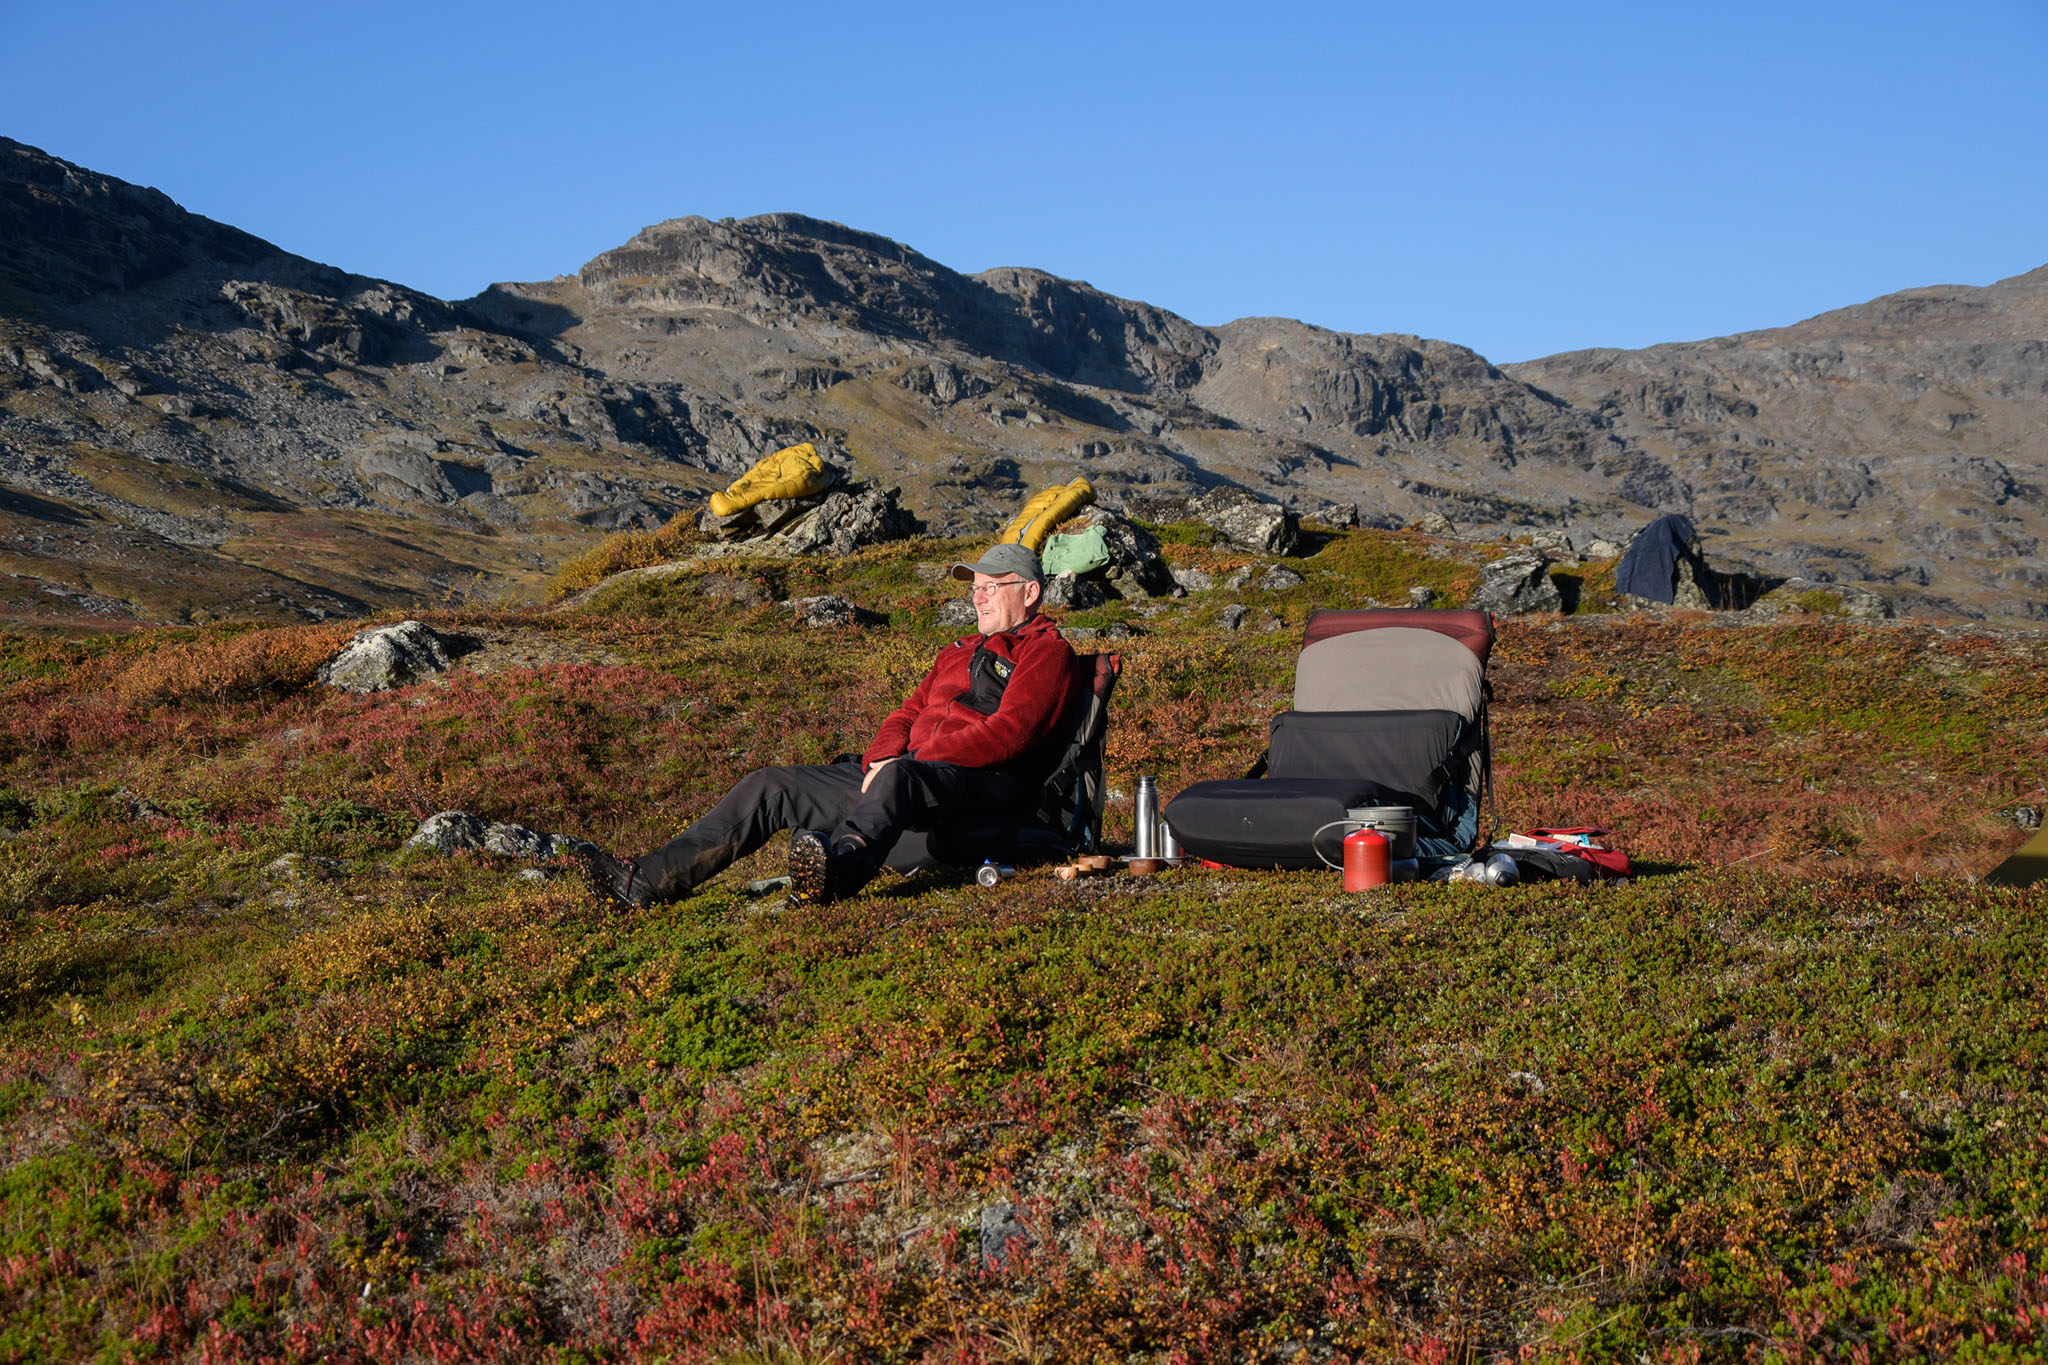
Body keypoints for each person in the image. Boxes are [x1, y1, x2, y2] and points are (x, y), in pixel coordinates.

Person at [580, 542, 1077, 907]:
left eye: (991, 586)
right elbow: (906, 713)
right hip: (907, 778)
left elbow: (1010, 734)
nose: (978, 597)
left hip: (979, 784)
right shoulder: (958, 650)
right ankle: (646, 881)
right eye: (974, 588)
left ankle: (837, 871)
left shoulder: (1047, 652)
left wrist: (907, 767)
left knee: (900, 778)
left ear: (1030, 591)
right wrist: (880, 758)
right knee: (771, 784)